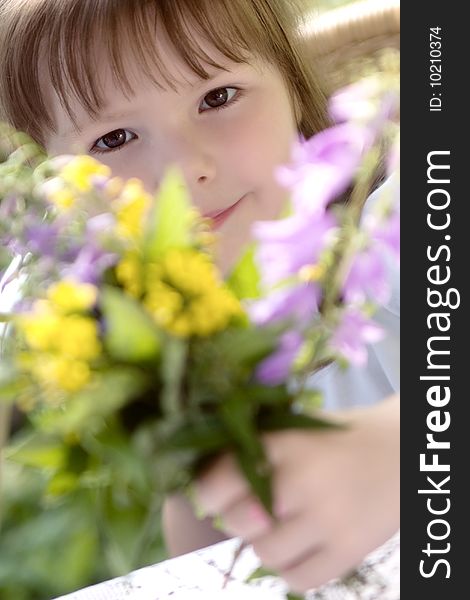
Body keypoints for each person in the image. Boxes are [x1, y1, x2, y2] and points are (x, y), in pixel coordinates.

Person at [0, 0, 399, 593]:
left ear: (291, 85)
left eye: (217, 98)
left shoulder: (392, 223)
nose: (186, 168)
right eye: (114, 138)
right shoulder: (125, 315)